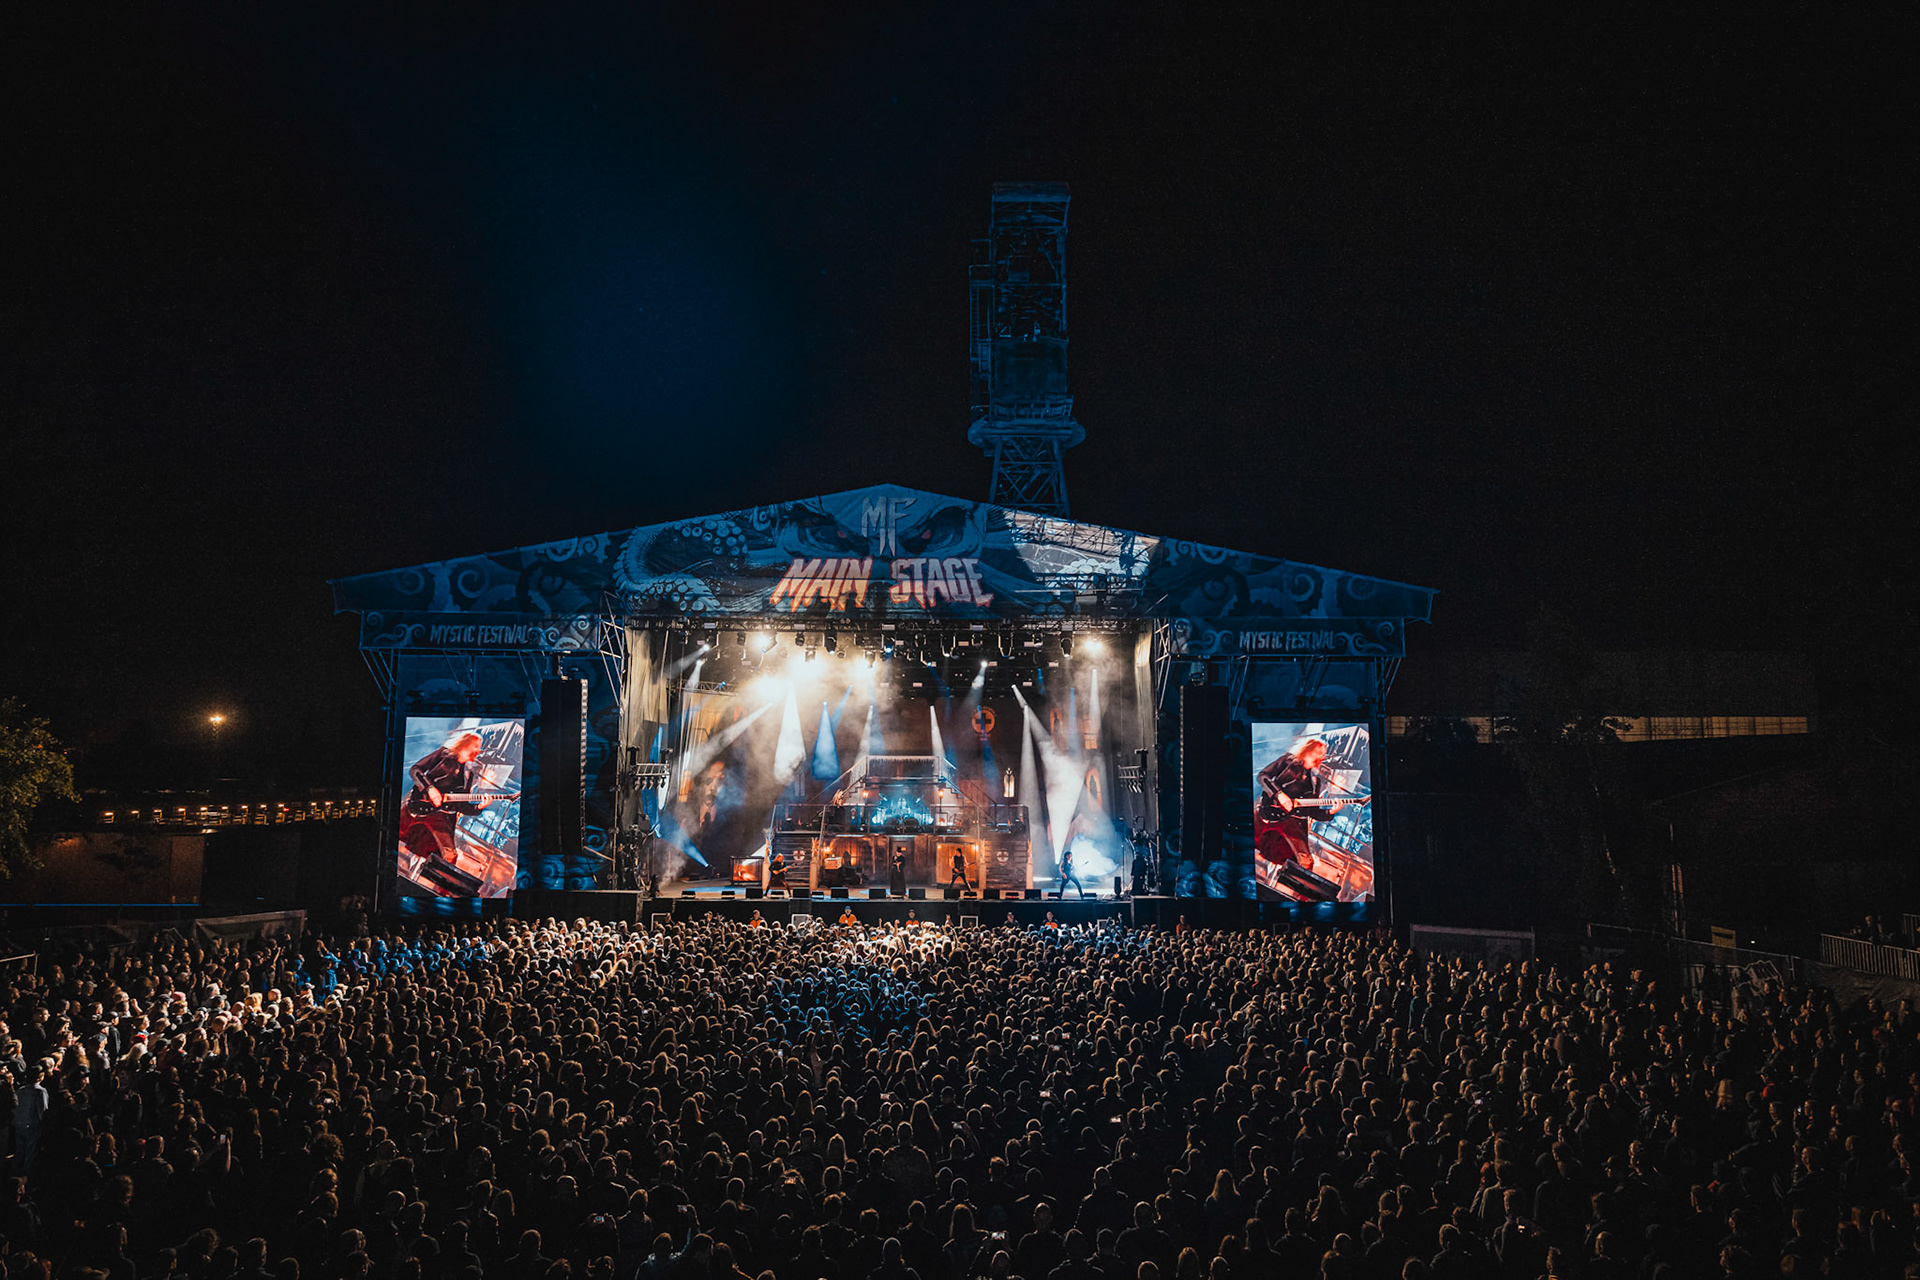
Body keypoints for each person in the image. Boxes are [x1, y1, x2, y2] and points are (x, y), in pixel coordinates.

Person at [398, 733, 499, 864]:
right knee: (395, 830)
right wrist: (430, 789)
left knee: (449, 857)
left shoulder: (468, 774)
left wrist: (478, 807)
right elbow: (415, 769)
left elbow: (461, 805)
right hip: (419, 805)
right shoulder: (443, 754)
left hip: (442, 818)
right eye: (476, 746)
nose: (478, 751)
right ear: (465, 744)